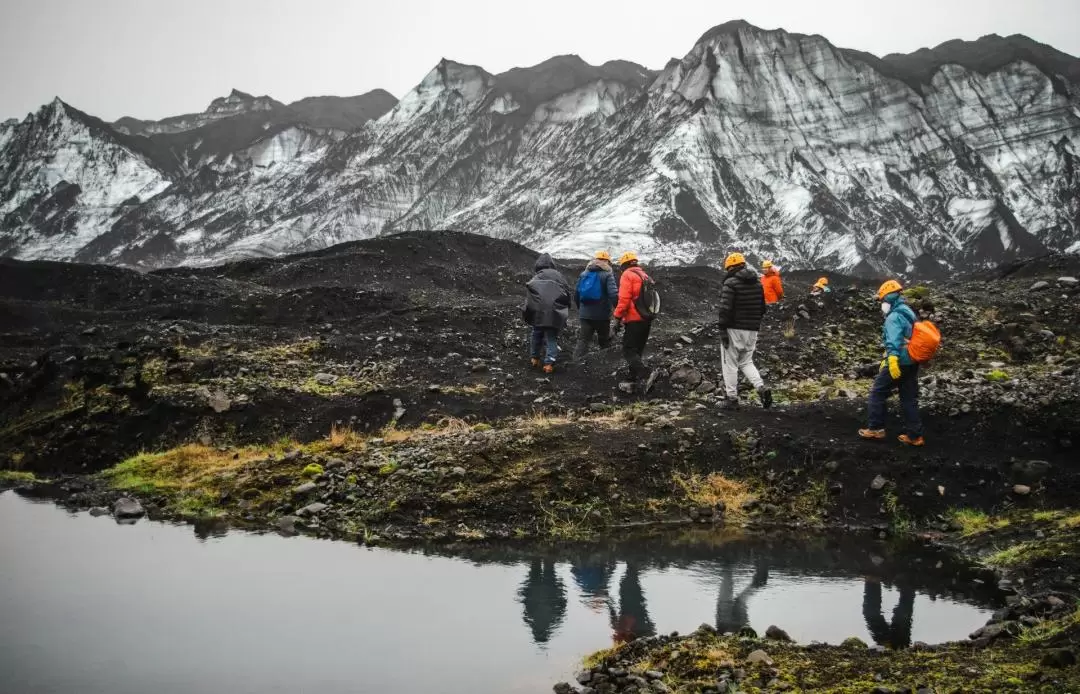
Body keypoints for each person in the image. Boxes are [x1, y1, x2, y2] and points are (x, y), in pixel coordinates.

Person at [859, 279, 924, 446]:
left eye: (882, 300)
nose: (881, 304)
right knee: (909, 398)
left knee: (877, 392)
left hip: (899, 361)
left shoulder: (893, 317)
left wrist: (892, 359)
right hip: (912, 360)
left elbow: (894, 340)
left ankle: (876, 429)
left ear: (888, 298)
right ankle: (915, 436)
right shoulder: (907, 311)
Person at [717, 252, 771, 409]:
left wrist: (722, 330)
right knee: (746, 361)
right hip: (752, 329)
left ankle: (732, 399)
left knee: (730, 364)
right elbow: (762, 309)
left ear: (731, 267)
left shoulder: (731, 283)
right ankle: (761, 387)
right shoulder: (758, 283)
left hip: (733, 329)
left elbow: (725, 309)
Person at [522, 253, 571, 374]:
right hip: (554, 312)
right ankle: (549, 364)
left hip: (538, 311)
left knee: (536, 334)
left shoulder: (537, 276)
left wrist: (528, 311)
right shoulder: (559, 276)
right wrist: (565, 307)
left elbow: (530, 293)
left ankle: (535, 358)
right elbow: (567, 292)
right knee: (551, 336)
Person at [613, 251, 656, 388]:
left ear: (623, 265)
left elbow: (624, 299)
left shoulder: (627, 275)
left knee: (628, 349)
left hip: (634, 318)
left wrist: (617, 317)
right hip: (646, 318)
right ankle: (632, 377)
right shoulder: (645, 276)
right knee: (638, 350)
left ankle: (646, 373)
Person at [572, 251, 619, 361]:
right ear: (607, 261)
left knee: (583, 340)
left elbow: (577, 294)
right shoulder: (608, 274)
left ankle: (575, 364)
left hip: (585, 315)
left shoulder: (584, 274)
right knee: (604, 340)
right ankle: (605, 364)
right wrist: (618, 309)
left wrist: (581, 310)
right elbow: (613, 294)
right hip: (602, 315)